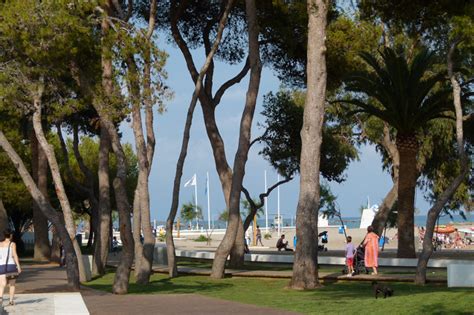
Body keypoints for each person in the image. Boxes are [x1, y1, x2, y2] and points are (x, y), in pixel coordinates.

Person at [0, 230, 21, 307]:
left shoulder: (0, 244)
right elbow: (15, 255)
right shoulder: (12, 244)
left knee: (2, 284)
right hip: (11, 266)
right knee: (12, 285)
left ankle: (0, 298)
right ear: (11, 235)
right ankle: (11, 301)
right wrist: (18, 266)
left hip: (1, 266)